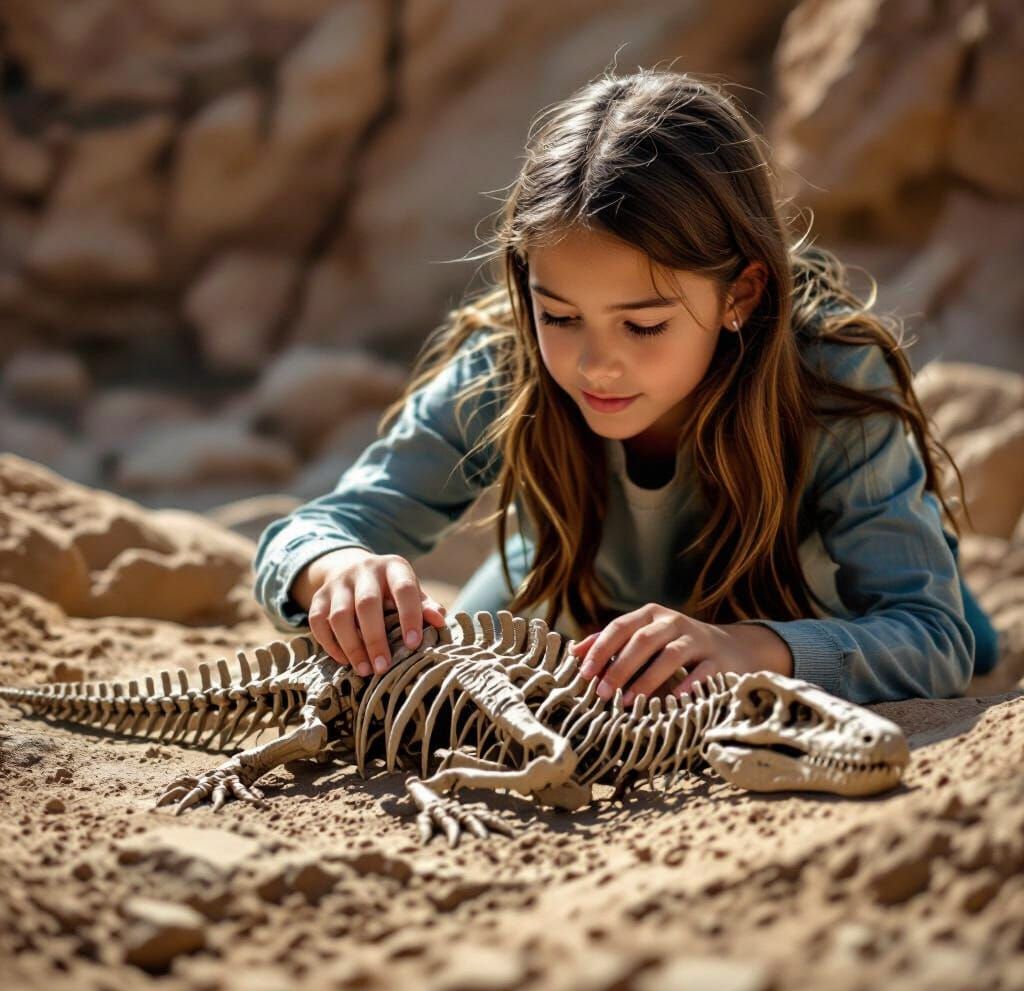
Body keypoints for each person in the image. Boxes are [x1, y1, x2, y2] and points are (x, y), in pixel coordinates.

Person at [253, 67, 1001, 709]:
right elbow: (305, 534)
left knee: (977, 639)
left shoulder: (829, 377)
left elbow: (933, 640)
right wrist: (341, 570)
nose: (595, 366)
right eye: (560, 316)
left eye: (643, 326)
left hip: (797, 614)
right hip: (579, 601)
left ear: (739, 294)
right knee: (449, 665)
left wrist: (742, 647)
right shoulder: (507, 363)